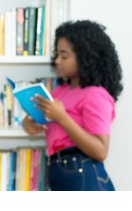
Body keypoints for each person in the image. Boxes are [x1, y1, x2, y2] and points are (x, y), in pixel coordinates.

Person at [22, 20, 123, 191]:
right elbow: (40, 119)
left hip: (83, 174)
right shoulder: (59, 91)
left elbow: (100, 151)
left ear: (85, 57)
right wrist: (28, 123)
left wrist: (62, 118)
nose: (57, 61)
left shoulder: (95, 95)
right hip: (58, 170)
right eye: (57, 55)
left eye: (64, 56)